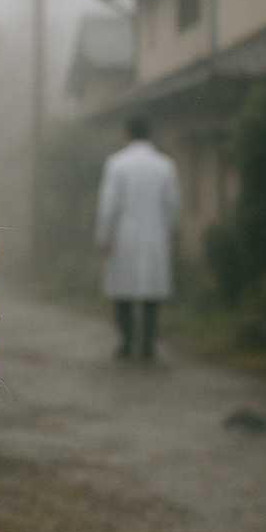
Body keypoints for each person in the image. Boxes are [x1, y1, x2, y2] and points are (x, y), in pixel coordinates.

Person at [94, 115, 181, 360]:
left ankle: (126, 343)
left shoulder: (117, 164)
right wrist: (168, 230)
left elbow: (108, 206)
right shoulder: (165, 164)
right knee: (152, 295)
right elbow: (173, 204)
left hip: (124, 237)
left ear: (127, 133)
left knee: (122, 293)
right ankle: (148, 346)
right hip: (156, 236)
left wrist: (103, 238)